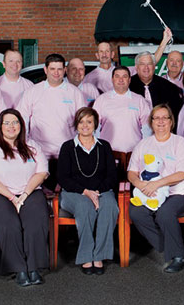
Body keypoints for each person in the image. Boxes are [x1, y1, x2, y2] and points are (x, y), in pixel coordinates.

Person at [0, 109, 49, 286]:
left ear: (21, 125)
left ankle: (33, 268)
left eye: (15, 122)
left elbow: (42, 172)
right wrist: (12, 198)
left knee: (36, 221)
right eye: (6, 123)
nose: (11, 126)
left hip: (29, 191)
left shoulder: (32, 145)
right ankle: (19, 269)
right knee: (9, 223)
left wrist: (24, 195)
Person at [128, 104, 184, 273]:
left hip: (175, 193)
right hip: (148, 193)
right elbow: (131, 172)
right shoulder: (143, 144)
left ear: (171, 122)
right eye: (156, 118)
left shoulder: (179, 143)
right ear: (151, 122)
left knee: (165, 213)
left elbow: (181, 173)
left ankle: (178, 256)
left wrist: (156, 184)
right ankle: (177, 247)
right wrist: (141, 185)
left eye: (165, 117)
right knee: (136, 212)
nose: (160, 121)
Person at [57, 107, 119, 275]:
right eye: (81, 121)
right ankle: (86, 256)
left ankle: (99, 255)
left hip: (101, 191)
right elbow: (63, 178)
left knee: (110, 207)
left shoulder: (104, 146)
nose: (85, 125)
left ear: (95, 125)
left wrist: (96, 192)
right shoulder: (67, 147)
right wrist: (86, 192)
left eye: (89, 122)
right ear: (76, 125)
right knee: (85, 207)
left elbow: (112, 176)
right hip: (73, 193)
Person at [15, 54, 86, 184]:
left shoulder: (74, 92)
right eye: (52, 69)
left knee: (66, 189)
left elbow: (83, 122)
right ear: (45, 70)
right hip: (39, 152)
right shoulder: (33, 91)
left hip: (67, 152)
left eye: (59, 69)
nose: (56, 73)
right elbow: (22, 119)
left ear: (65, 70)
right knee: (42, 189)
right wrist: (24, 144)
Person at [85, 29, 169, 93]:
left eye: (107, 51)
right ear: (97, 55)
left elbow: (151, 62)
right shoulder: (89, 78)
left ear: (112, 54)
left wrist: (165, 40)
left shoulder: (124, 71)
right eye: (101, 51)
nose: (104, 55)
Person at [93, 66, 152, 153]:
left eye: (124, 76)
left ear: (129, 80)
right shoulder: (101, 100)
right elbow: (95, 128)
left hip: (133, 153)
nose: (121, 80)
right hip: (107, 153)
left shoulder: (139, 100)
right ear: (112, 79)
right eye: (117, 76)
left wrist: (143, 150)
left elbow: (147, 129)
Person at [129, 51, 183, 123]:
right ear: (136, 67)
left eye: (149, 64)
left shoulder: (169, 87)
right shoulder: (128, 86)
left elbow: (175, 117)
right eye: (142, 64)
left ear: (154, 66)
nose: (146, 68)